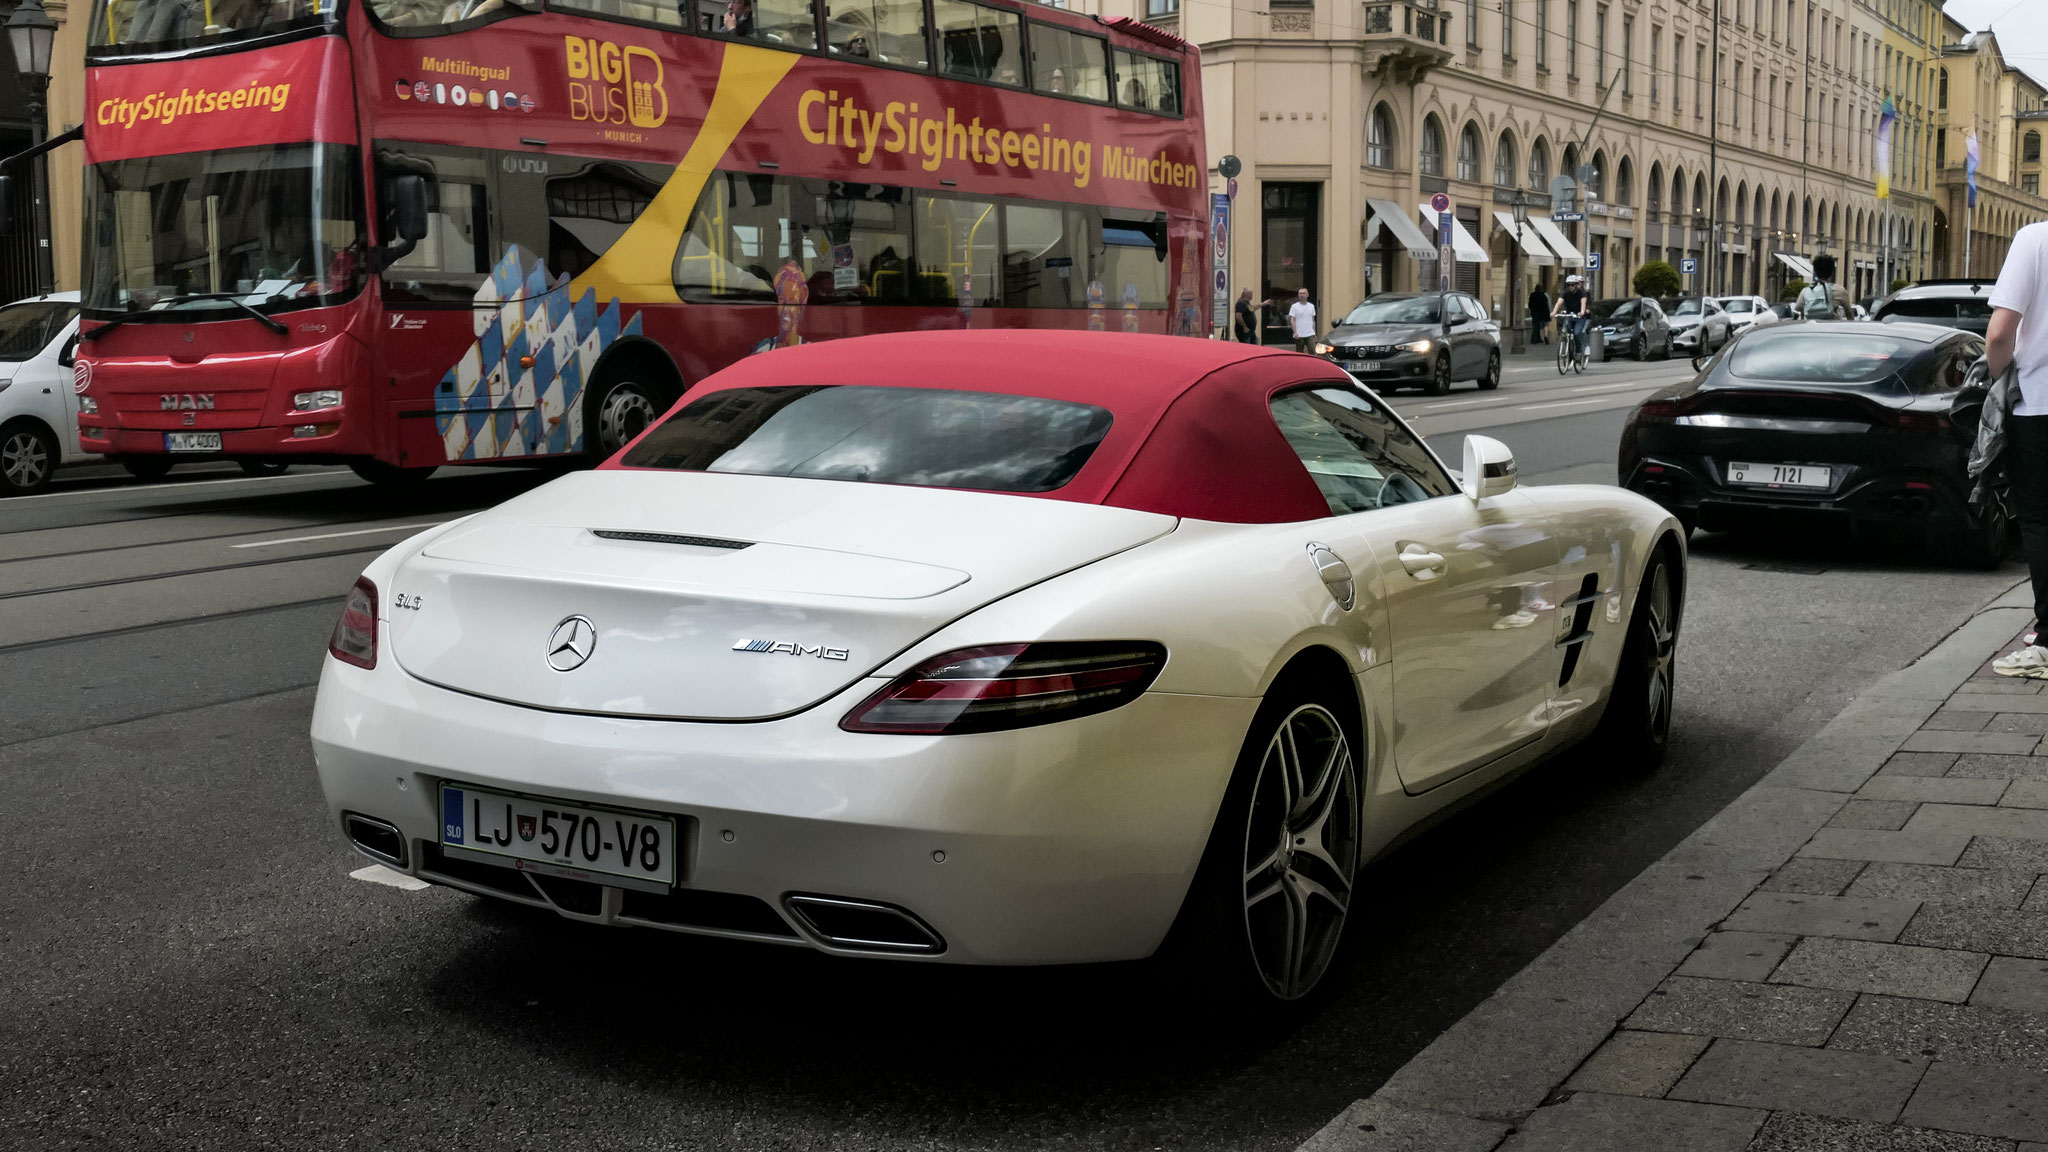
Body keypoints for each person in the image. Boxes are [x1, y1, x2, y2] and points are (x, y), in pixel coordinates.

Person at [1990, 220, 2048, 677]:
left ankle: (2047, 643)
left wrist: (1998, 381)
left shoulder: (2035, 239)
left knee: (2041, 521)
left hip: (2041, 407)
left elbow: (1999, 333)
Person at [1552, 274, 1590, 357]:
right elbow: (1559, 303)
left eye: (1572, 285)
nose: (1570, 287)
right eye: (1568, 285)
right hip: (1569, 316)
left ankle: (1579, 351)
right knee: (1565, 332)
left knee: (1577, 333)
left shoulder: (1582, 293)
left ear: (1576, 285)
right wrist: (1554, 312)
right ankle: (1567, 349)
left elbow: (1583, 303)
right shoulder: (1565, 293)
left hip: (1579, 317)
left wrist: (1582, 311)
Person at [1797, 254, 1844, 320]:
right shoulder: (1840, 291)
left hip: (1811, 328)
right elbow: (1850, 315)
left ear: (1815, 272)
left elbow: (1797, 309)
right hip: (1832, 328)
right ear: (1832, 272)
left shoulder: (1806, 291)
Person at [1288, 288, 1317, 353]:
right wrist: (1295, 332)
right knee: (1299, 352)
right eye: (1300, 293)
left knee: (1313, 351)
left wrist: (1314, 333)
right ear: (1298, 295)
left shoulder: (1311, 306)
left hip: (1310, 334)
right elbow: (1292, 320)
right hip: (1299, 334)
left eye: (1303, 293)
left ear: (1307, 295)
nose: (1302, 295)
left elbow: (1313, 320)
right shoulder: (1294, 306)